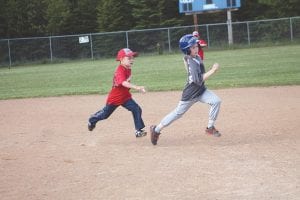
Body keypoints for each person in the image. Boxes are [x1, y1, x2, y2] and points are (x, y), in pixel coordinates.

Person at [150, 34, 222, 145]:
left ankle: (210, 127)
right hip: (190, 94)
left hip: (201, 91)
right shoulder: (192, 61)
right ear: (187, 50)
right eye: (192, 47)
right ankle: (156, 130)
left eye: (196, 46)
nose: (196, 48)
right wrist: (213, 70)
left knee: (216, 101)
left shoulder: (195, 57)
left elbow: (186, 60)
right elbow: (198, 80)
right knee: (177, 114)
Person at [88, 48, 147, 138]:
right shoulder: (120, 70)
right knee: (104, 115)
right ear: (121, 59)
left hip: (125, 97)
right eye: (129, 58)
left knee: (136, 109)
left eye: (132, 57)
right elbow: (123, 83)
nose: (132, 59)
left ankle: (138, 131)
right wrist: (137, 87)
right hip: (115, 98)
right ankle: (92, 120)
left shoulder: (128, 68)